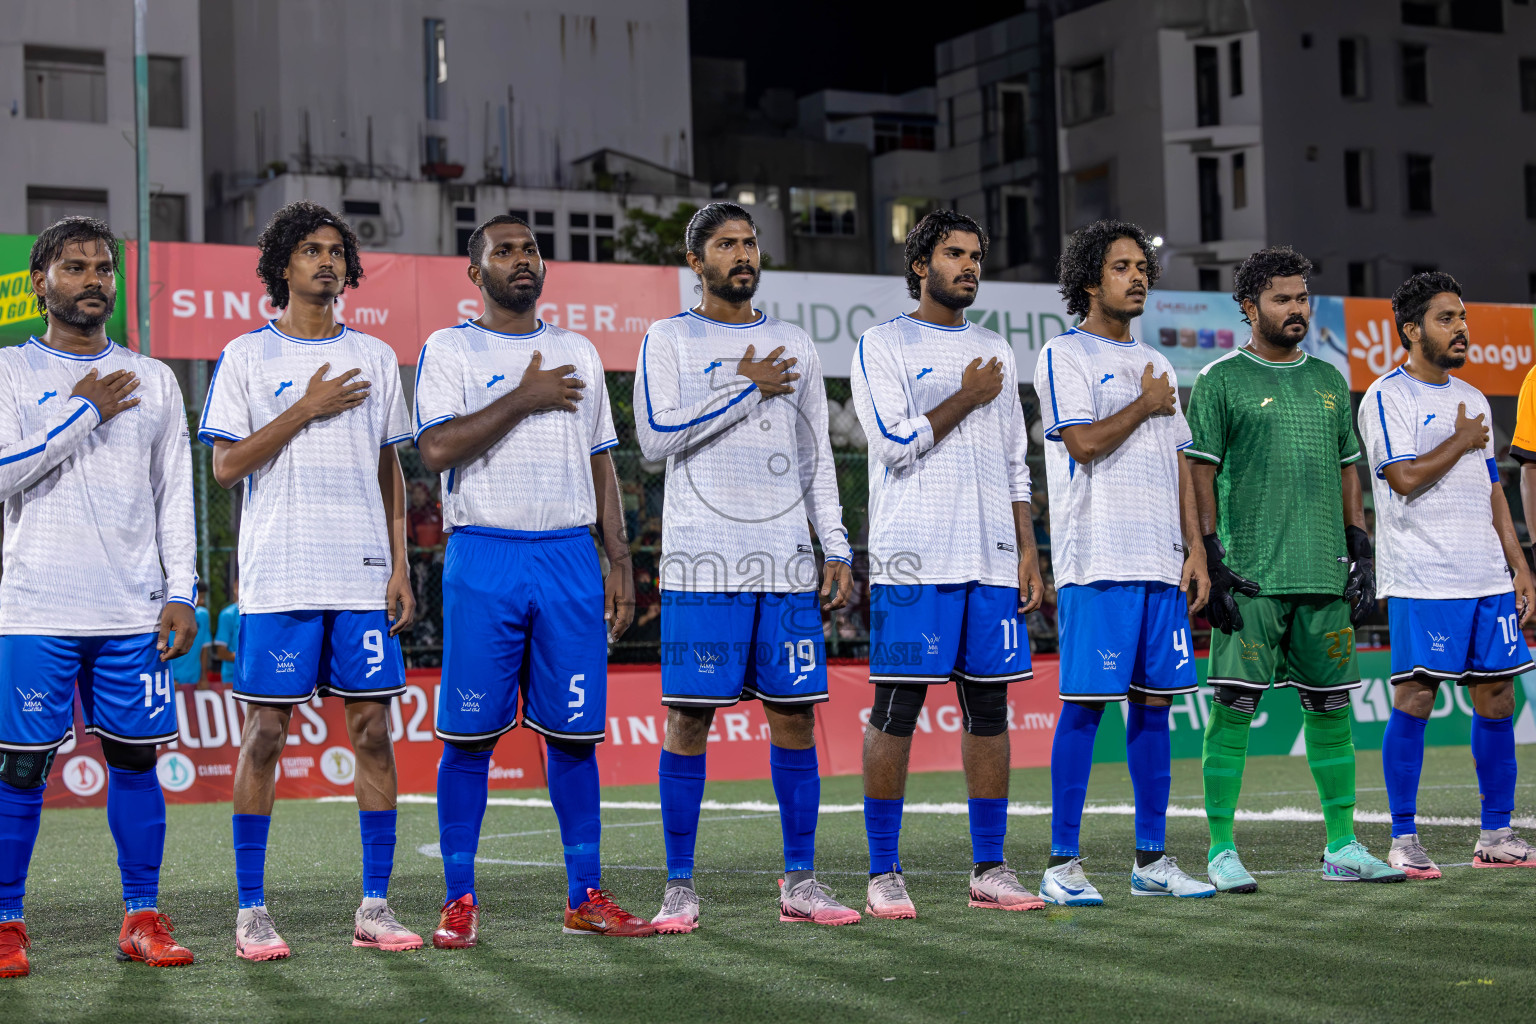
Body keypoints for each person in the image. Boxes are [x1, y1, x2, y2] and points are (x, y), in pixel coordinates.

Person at [415, 214, 649, 944]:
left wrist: (618, 559)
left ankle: (586, 893)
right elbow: (435, 447)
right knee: (469, 738)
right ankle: (459, 900)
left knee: (574, 738)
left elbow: (602, 461)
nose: (522, 260)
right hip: (484, 556)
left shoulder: (575, 348)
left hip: (570, 559)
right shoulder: (449, 347)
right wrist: (524, 394)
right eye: (505, 251)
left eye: (531, 250)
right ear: (474, 271)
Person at [199, 201, 420, 960]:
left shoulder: (377, 356)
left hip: (358, 575)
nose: (326, 262)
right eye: (309, 251)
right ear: (281, 267)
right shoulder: (246, 357)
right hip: (281, 575)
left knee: (372, 732)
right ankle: (252, 910)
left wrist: (400, 566)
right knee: (264, 733)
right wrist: (307, 406)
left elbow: (392, 469)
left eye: (336, 251)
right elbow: (226, 466)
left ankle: (376, 905)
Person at [634, 202, 857, 932]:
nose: (742, 253)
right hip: (701, 563)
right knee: (689, 718)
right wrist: (745, 386)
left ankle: (800, 880)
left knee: (794, 717)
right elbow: (654, 440)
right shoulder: (667, 338)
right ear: (695, 262)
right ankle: (678, 885)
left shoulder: (792, 342)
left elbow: (816, 454)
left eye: (750, 242)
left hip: (786, 563)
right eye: (726, 244)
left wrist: (837, 545)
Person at [0, 217, 198, 977]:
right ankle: (8, 923)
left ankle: (142, 918)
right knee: (20, 770)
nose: (94, 280)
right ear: (38, 282)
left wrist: (182, 590)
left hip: (131, 613)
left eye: (104, 268)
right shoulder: (13, 372)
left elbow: (174, 495)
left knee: (137, 762)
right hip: (36, 606)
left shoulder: (155, 378)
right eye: (75, 267)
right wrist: (83, 411)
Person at [1184, 245, 1405, 890]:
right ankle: (1221, 851)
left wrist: (1359, 542)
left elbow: (1348, 468)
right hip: (1251, 573)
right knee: (1232, 706)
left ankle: (1343, 845)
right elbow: (1200, 474)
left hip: (1323, 571)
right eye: (1282, 299)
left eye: (1303, 298)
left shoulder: (1331, 380)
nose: (1297, 309)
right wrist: (1211, 557)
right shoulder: (1221, 379)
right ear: (1250, 307)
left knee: (1333, 707)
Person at [850, 210, 1045, 918]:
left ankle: (989, 869)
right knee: (896, 711)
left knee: (990, 712)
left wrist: (1027, 549)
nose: (969, 265)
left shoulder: (996, 348)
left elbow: (1016, 465)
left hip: (991, 561)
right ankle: (883, 872)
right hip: (915, 559)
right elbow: (897, 443)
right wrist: (966, 394)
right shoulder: (882, 344)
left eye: (976, 255)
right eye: (954, 254)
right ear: (918, 265)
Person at [1034, 220, 1216, 904]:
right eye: (1122, 267)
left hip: (1160, 564)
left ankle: (1151, 861)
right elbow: (1080, 443)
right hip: (1099, 560)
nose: (1138, 276)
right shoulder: (1065, 355)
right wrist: (1143, 404)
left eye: (1143, 266)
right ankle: (1061, 866)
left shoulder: (1160, 364)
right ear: (1089, 280)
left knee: (1155, 710)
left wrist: (1196, 550)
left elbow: (1180, 464)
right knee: (1085, 708)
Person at [1364, 272, 1536, 875]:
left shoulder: (1475, 397)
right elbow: (1403, 478)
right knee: (1415, 696)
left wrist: (1518, 566)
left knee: (1498, 696)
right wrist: (1462, 438)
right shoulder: (1387, 396)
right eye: (1446, 318)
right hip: (1424, 575)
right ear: (1411, 329)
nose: (1461, 328)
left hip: (1484, 575)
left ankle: (1496, 834)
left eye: (1462, 317)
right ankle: (1404, 839)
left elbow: (1493, 492)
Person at [168, 582, 213, 688]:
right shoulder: (168, 616)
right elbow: (160, 651)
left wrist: (203, 678)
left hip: (195, 681)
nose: (202, 601)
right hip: (172, 681)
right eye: (199, 598)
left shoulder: (203, 615)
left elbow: (204, 649)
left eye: (203, 597)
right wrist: (169, 679)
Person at [212, 578, 240, 685]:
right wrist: (249, 658)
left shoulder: (261, 614)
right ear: (235, 588)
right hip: (232, 680)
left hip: (258, 678)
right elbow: (221, 652)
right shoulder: (227, 614)